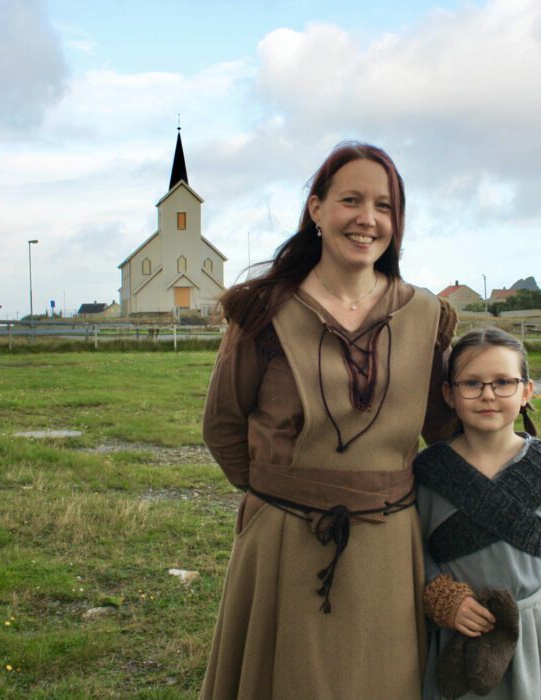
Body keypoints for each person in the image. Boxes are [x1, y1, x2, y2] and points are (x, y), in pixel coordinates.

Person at [200, 142, 457, 699]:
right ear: (316, 210)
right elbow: (223, 426)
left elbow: (446, 432)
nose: (368, 219)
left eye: (384, 206)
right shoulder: (264, 308)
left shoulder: (425, 315)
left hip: (388, 550)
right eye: (351, 200)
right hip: (283, 544)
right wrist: (283, 496)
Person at [414, 328, 541, 699]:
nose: (488, 395)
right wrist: (444, 599)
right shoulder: (428, 472)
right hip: (459, 633)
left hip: (533, 633)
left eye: (503, 382)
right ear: (449, 393)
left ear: (527, 391)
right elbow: (414, 552)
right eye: (472, 383)